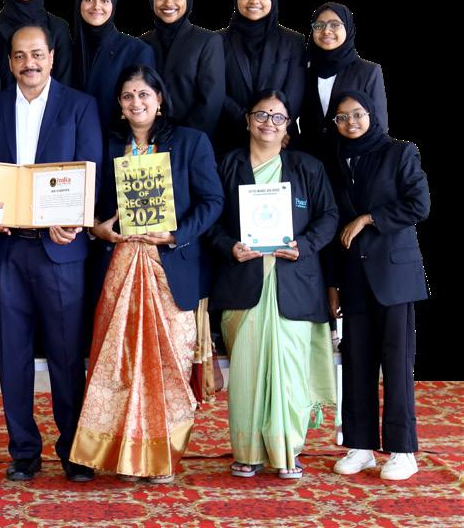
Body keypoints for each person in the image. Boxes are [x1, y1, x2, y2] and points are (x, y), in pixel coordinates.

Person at [70, 64, 223, 484]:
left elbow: (212, 202)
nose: (136, 103)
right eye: (128, 96)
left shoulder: (190, 142)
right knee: (119, 363)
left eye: (143, 94)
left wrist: (175, 235)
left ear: (159, 99)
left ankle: (162, 459)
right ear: (119, 105)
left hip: (170, 267)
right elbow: (87, 201)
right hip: (119, 266)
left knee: (167, 365)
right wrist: (97, 228)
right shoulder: (106, 145)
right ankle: (122, 455)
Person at [0, 24, 102, 483]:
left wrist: (77, 219)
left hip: (60, 250)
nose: (29, 63)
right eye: (20, 55)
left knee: (67, 356)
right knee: (12, 355)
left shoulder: (80, 106)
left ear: (51, 57)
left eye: (37, 54)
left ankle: (74, 451)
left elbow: (90, 171)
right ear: (10, 62)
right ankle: (23, 451)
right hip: (5, 250)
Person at [207, 89, 337, 480]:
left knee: (290, 373)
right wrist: (230, 247)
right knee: (247, 373)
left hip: (294, 285)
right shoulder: (227, 165)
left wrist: (304, 246)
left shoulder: (307, 167)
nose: (269, 123)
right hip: (243, 284)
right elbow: (211, 221)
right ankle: (247, 452)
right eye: (261, 115)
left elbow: (329, 217)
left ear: (288, 126)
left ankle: (287, 451)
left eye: (278, 117)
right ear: (247, 120)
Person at [325, 91, 429, 481]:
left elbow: (419, 204)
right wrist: (332, 283)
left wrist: (368, 218)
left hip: (394, 276)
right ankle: (360, 447)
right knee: (356, 362)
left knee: (396, 364)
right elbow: (332, 224)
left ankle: (403, 451)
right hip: (352, 276)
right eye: (341, 117)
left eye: (357, 114)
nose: (350, 122)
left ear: (371, 114)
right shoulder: (334, 159)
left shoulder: (400, 152)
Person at [216, 0, 304, 155]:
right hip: (230, 139)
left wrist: (277, 125)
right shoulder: (217, 41)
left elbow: (295, 92)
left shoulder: (293, 41)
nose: (254, 0)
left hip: (281, 139)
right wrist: (250, 123)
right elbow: (216, 90)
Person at [297, 4, 388, 163]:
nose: (326, 31)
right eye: (319, 25)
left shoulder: (368, 71)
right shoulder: (304, 70)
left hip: (352, 162)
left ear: (348, 29)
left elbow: (379, 125)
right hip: (311, 162)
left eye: (334, 24)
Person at [140, 0, 224, 138]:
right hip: (148, 137)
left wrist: (183, 138)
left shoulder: (207, 40)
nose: (168, 2)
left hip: (192, 138)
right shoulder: (142, 42)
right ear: (152, 0)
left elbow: (211, 100)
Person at [72, 0, 154, 136]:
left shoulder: (136, 50)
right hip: (74, 142)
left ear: (113, 5)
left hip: (119, 142)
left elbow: (144, 107)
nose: (96, 6)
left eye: (104, 0)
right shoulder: (68, 49)